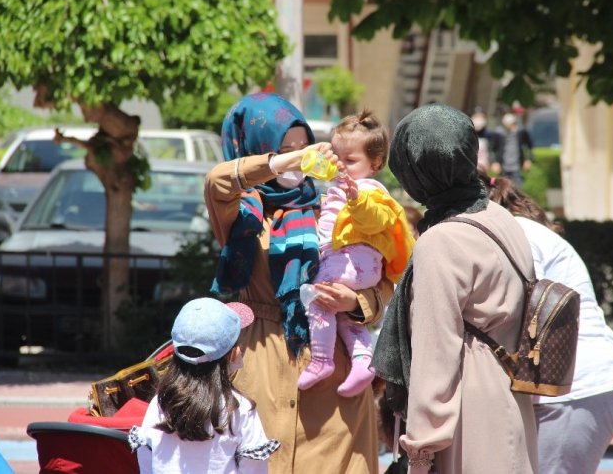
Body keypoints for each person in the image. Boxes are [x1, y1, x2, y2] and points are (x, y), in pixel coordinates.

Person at [204, 92, 392, 473]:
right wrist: (278, 164)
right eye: (285, 147)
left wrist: (356, 303)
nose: (300, 157)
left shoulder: (334, 205)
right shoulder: (242, 212)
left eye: (304, 146)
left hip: (333, 381)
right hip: (260, 368)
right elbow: (216, 182)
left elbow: (387, 279)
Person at [373, 102, 539, 473]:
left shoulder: (441, 241)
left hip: (466, 413)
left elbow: (436, 351)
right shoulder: (500, 218)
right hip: (511, 396)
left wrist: (420, 449)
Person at [480, 171, 613, 474]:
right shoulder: (526, 232)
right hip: (584, 384)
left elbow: (517, 300)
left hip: (576, 389)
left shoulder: (516, 233)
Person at [298, 110, 414, 397]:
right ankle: (363, 361)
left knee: (317, 299)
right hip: (355, 268)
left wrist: (356, 199)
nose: (341, 166)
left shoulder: (369, 190)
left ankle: (322, 359)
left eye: (350, 160)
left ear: (375, 163)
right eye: (337, 158)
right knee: (347, 317)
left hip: (351, 262)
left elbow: (376, 219)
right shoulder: (337, 188)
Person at [129, 298, 280, 474]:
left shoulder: (161, 403)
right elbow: (255, 470)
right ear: (232, 355)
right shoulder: (240, 409)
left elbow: (147, 463)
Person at [490, 112, 534, 187]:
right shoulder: (498, 133)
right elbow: (492, 149)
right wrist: (494, 162)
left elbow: (529, 145)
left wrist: (528, 159)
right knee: (502, 189)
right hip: (503, 167)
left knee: (517, 190)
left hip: (516, 167)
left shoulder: (521, 132)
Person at [470, 108, 499, 172]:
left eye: (481, 117)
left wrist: (494, 162)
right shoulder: (466, 133)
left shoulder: (489, 134)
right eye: (476, 117)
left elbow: (493, 150)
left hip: (483, 168)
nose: (478, 120)